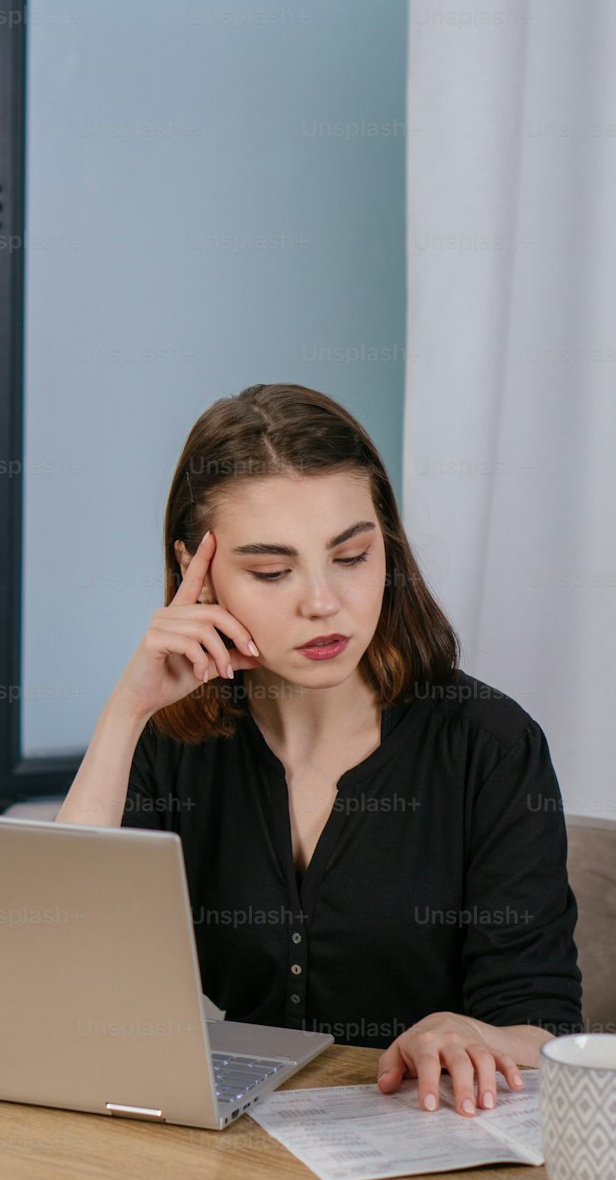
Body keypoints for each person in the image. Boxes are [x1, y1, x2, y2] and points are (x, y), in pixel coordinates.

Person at [57, 382, 582, 1119]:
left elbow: (547, 1028)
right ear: (194, 571)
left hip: (432, 1155)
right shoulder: (176, 743)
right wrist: (127, 711)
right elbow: (59, 958)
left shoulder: (489, 746)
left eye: (352, 556)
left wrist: (467, 1033)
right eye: (272, 572)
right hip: (236, 1152)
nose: (322, 602)